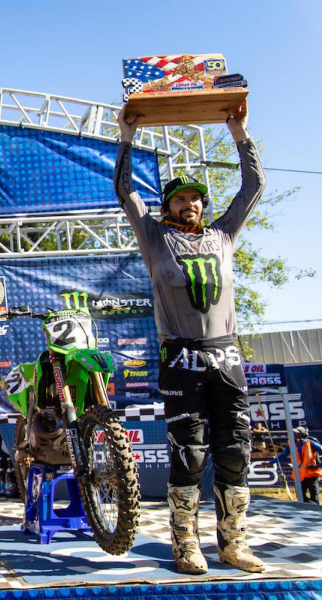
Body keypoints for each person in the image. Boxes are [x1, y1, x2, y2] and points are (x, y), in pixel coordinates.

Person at [115, 101, 266, 575]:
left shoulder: (223, 234)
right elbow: (124, 191)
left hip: (227, 356)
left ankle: (233, 542)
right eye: (180, 198)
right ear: (167, 206)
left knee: (236, 451)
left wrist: (239, 133)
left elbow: (254, 187)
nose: (191, 203)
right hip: (181, 358)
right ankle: (185, 543)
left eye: (196, 197)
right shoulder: (155, 236)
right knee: (191, 451)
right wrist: (126, 136)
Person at [267, 427, 322, 504]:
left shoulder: (311, 443)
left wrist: (319, 465)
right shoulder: (292, 444)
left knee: (314, 496)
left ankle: (315, 509)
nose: (295, 434)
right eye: (294, 433)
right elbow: (283, 455)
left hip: (311, 475)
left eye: (297, 433)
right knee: (301, 497)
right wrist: (270, 462)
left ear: (302, 434)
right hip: (300, 475)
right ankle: (309, 506)